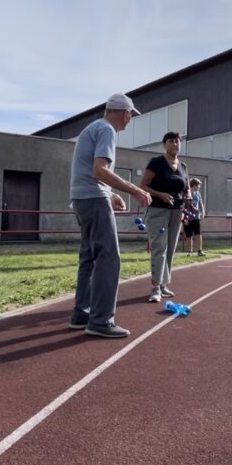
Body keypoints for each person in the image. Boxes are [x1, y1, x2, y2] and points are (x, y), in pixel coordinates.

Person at [69, 93, 152, 338]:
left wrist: (111, 193)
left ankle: (81, 314)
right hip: (93, 198)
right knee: (109, 257)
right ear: (124, 112)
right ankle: (101, 320)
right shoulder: (107, 130)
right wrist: (135, 190)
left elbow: (93, 172)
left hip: (82, 198)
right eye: (130, 115)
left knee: (89, 257)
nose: (130, 120)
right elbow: (99, 170)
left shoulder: (93, 128)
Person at [140, 132, 189, 303]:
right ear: (164, 144)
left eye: (177, 141)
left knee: (170, 247)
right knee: (159, 247)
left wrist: (188, 195)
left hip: (177, 211)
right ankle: (155, 287)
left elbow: (186, 187)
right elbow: (143, 185)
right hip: (158, 210)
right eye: (171, 141)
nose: (175, 144)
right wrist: (160, 194)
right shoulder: (156, 163)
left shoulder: (183, 166)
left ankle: (163, 285)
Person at [183, 178, 206, 256]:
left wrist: (203, 212)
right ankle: (190, 251)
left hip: (196, 217)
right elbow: (182, 206)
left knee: (198, 233)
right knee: (189, 235)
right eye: (198, 185)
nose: (199, 187)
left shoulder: (198, 193)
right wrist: (183, 218)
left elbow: (201, 203)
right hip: (187, 217)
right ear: (194, 185)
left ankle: (200, 250)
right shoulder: (186, 193)